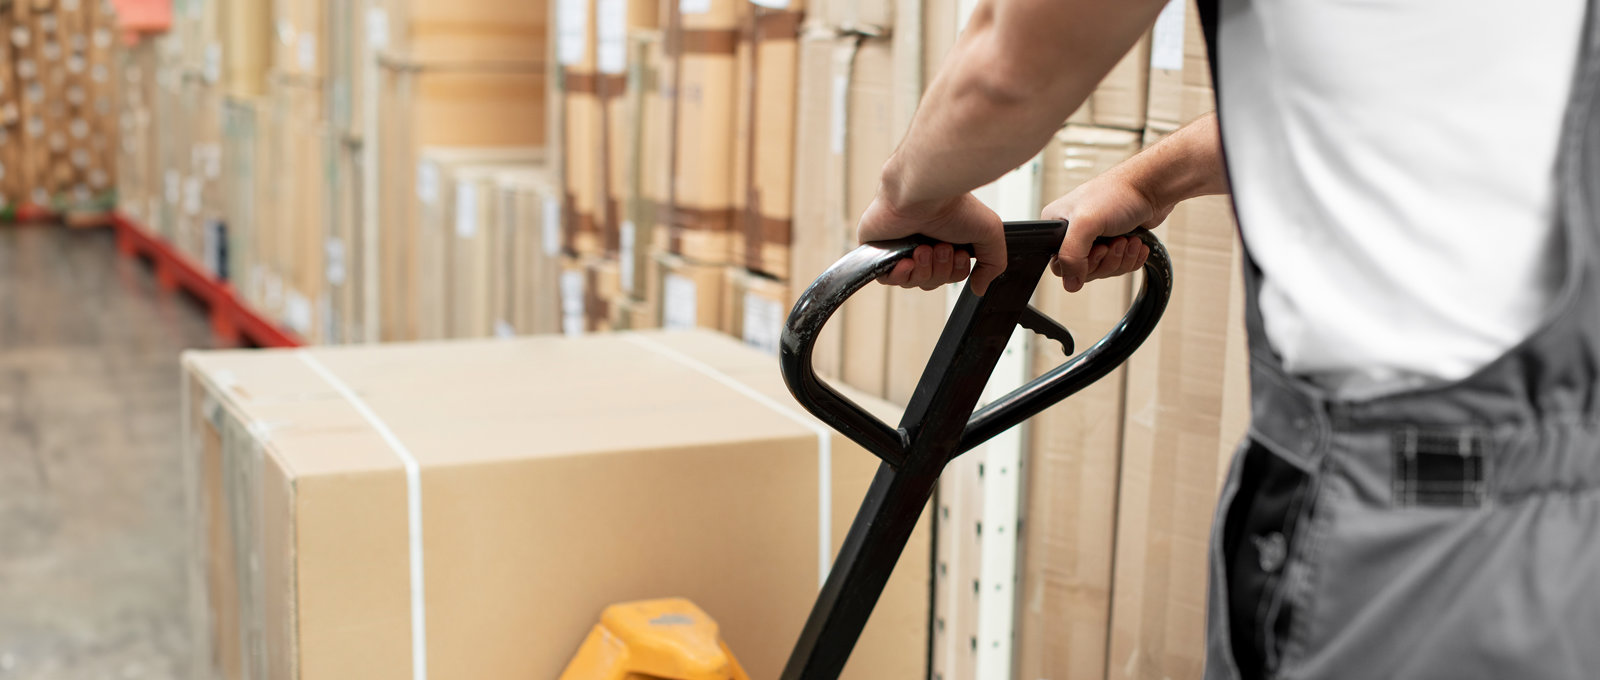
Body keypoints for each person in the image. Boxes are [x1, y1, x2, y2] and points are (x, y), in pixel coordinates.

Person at [854, 0, 1598, 678]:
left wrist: (908, 195)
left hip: (1403, 531)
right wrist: (1155, 181)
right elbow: (1436, 87)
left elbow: (1008, 68)